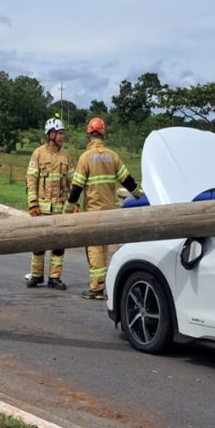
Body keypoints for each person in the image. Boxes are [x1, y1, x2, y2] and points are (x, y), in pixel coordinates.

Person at [64, 117, 144, 300]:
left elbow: (76, 188)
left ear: (89, 134)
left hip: (93, 212)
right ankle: (102, 285)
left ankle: (96, 288)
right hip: (110, 212)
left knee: (93, 249)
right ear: (103, 134)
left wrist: (67, 211)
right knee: (104, 249)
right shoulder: (113, 156)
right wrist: (140, 195)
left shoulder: (85, 158)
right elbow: (128, 181)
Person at [25, 117, 72, 290]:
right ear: (50, 134)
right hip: (41, 209)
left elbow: (71, 181)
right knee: (38, 244)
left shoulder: (66, 155)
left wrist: (73, 203)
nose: (62, 136)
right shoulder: (38, 154)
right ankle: (36, 276)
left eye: (62, 133)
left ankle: (55, 278)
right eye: (59, 133)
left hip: (60, 209)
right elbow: (31, 180)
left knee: (59, 245)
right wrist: (32, 203)